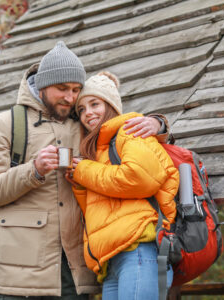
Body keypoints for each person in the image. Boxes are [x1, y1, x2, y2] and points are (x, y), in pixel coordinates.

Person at [0, 41, 168, 299]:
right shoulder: (6, 124)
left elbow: (121, 126)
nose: (70, 97)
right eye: (62, 88)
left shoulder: (85, 123)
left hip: (75, 278)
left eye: (76, 89)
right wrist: (33, 170)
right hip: (16, 279)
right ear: (42, 85)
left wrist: (158, 123)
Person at [68, 71, 179, 299]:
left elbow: (138, 179)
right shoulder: (98, 151)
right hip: (112, 260)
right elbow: (101, 209)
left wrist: (84, 171)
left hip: (139, 249)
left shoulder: (130, 131)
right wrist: (80, 184)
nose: (88, 113)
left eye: (94, 104)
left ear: (110, 105)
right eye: (82, 109)